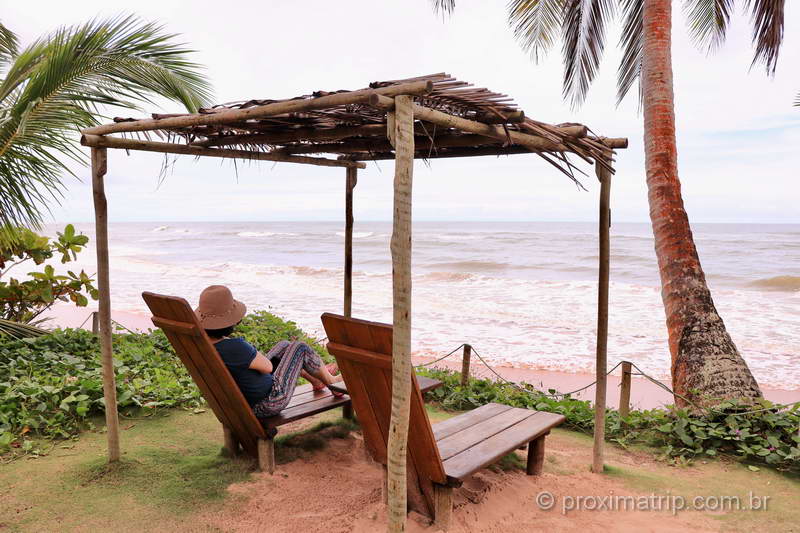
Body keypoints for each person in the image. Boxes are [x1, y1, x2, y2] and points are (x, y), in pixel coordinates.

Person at [195, 285, 342, 418]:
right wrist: (249, 349)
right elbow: (267, 367)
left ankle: (316, 380)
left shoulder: (205, 346)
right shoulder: (235, 347)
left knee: (284, 345)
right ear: (232, 322)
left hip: (241, 403)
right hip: (269, 401)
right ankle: (332, 383)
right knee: (300, 348)